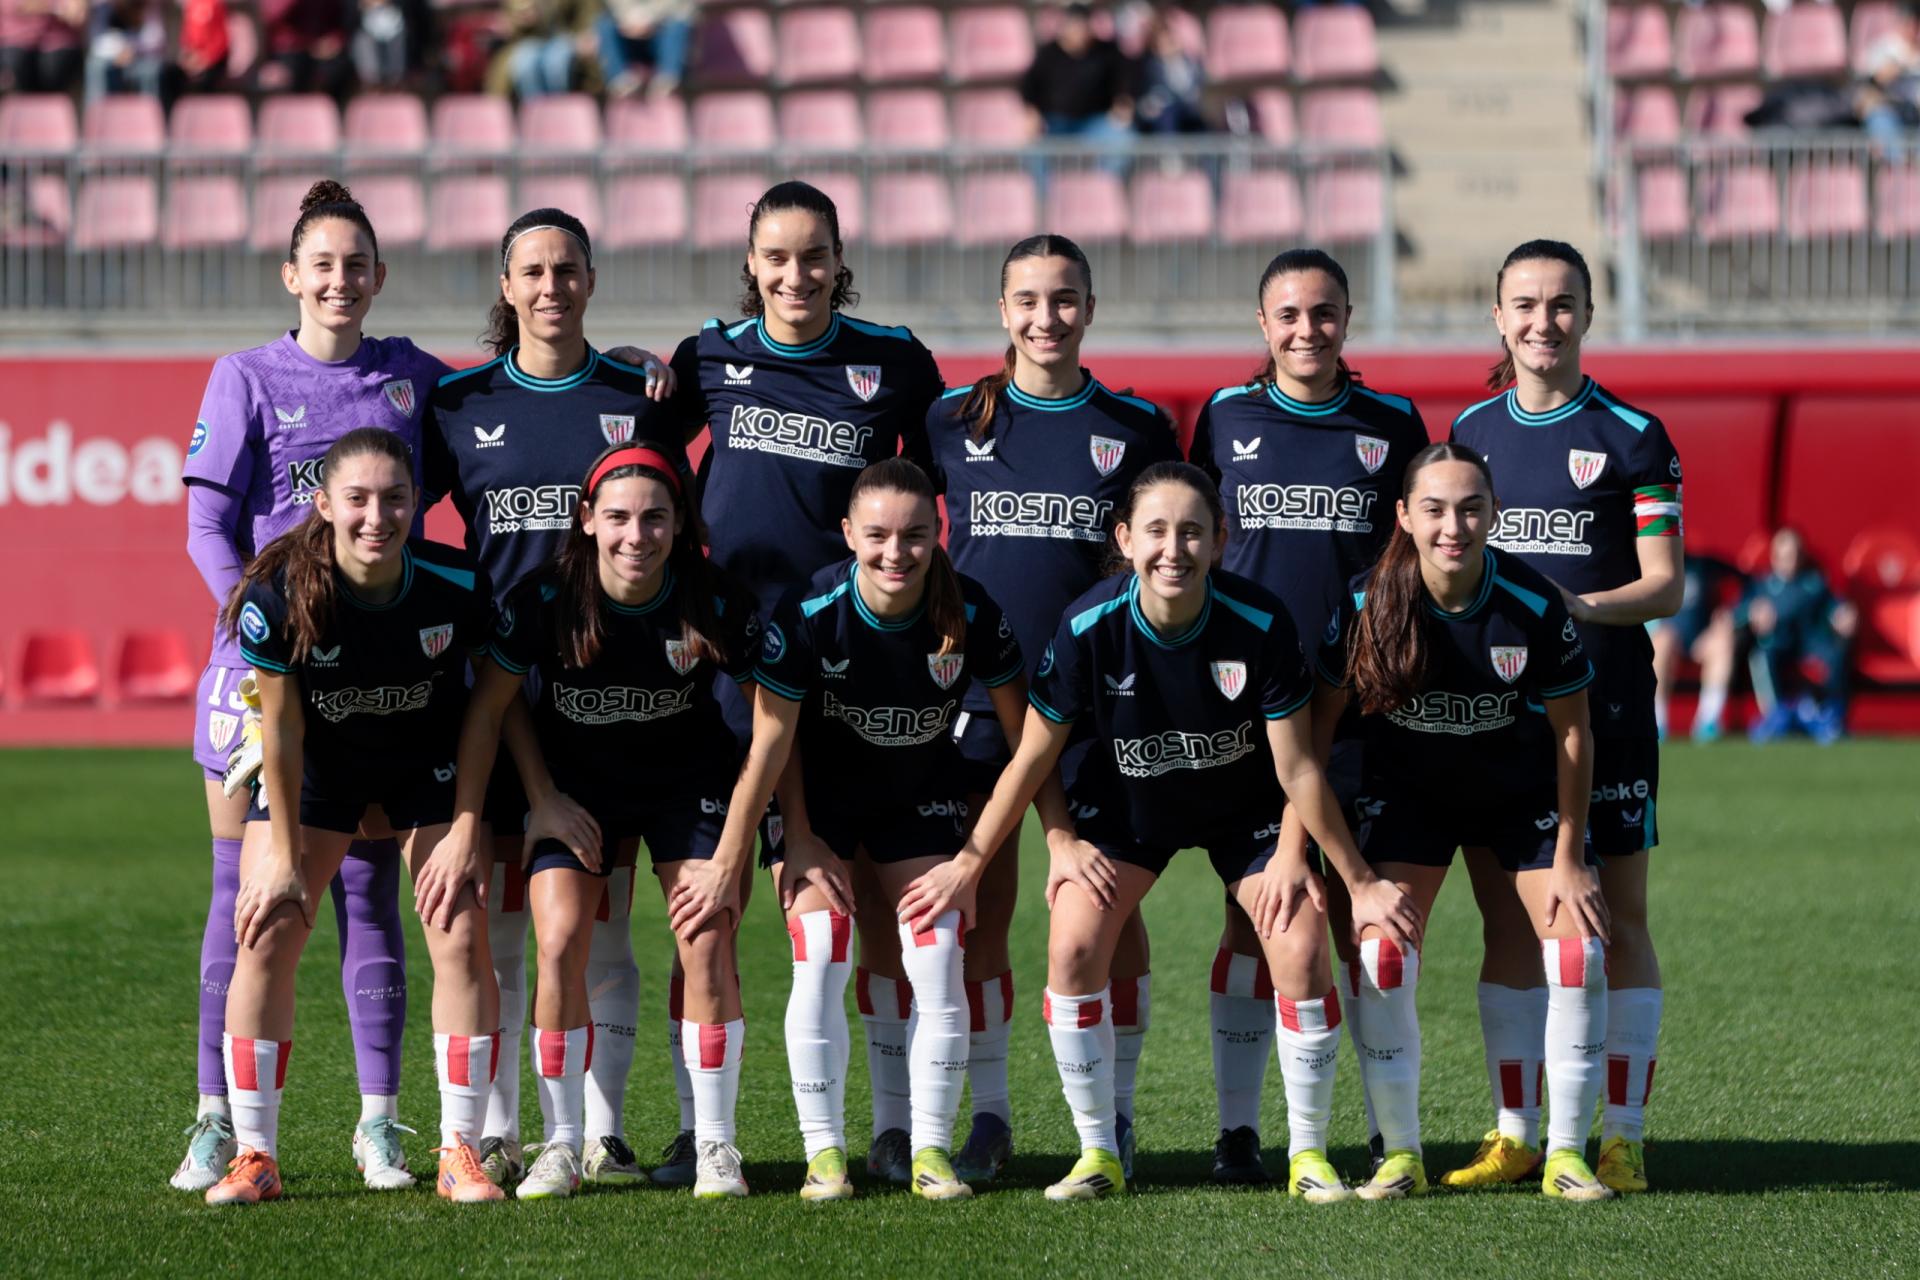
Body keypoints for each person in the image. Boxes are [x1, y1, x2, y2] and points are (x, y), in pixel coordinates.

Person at [950, 460, 1423, 1201]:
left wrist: (1325, 867)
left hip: (1249, 815)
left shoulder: (1260, 623)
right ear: (1125, 539)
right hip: (1128, 812)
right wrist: (1023, 849)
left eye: (1193, 532)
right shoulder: (1087, 626)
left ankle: (1306, 1153)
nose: (1174, 550)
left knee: (1300, 945)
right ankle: (1100, 1151)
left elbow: (1299, 765)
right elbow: (1033, 755)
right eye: (1157, 532)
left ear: (1221, 540)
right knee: (1072, 944)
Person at [660, 179, 944, 1187]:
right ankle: (700, 1129)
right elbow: (645, 470)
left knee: (861, 905)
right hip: (728, 672)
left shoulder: (895, 362)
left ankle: (894, 1126)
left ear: (839, 259)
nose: (796, 274)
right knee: (711, 903)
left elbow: (938, 483)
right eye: (776, 257)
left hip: (849, 670)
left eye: (813, 254)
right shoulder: (705, 357)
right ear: (751, 264)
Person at [175, 179, 450, 1195]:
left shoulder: (413, 377)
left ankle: (380, 1124)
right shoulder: (244, 376)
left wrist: (630, 368)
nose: (341, 280)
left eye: (357, 264)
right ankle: (218, 1119)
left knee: (371, 892)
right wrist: (262, 626)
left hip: (372, 678)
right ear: (291, 275)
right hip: (260, 675)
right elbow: (206, 526)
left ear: (380, 276)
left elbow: (510, 405)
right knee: (241, 897)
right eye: (322, 264)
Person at [422, 205, 682, 1191]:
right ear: (505, 286)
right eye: (531, 271)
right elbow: (394, 517)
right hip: (493, 699)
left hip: (601, 701)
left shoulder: (636, 395)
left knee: (597, 925)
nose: (550, 287)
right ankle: (495, 1130)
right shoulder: (458, 403)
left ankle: (601, 1133)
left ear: (591, 280)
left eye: (566, 268)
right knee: (495, 927)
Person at [693, 457, 1025, 1201]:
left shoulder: (971, 610)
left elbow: (1026, 741)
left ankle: (928, 1147)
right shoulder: (809, 612)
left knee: (938, 950)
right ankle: (825, 1154)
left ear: (938, 533)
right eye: (877, 535)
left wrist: (978, 858)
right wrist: (787, 838)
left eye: (914, 535)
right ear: (848, 533)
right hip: (820, 805)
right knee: (821, 950)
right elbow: (771, 742)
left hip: (920, 799)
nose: (895, 552)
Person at [924, 233, 1179, 1184]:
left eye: (1064, 299)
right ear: (1003, 311)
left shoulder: (1138, 425)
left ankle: (1117, 1113)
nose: (1047, 318)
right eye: (1028, 300)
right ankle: (991, 1115)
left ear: (1090, 308)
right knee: (983, 909)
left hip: (1103, 707)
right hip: (980, 700)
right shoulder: (950, 418)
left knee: (1108, 910)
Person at [451, 443, 763, 1199]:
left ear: (679, 522)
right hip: (578, 790)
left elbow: (775, 722)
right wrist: (540, 797)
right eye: (618, 517)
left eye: (655, 517)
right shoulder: (545, 597)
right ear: (587, 519)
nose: (637, 535)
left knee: (707, 938)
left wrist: (735, 847)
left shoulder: (713, 597)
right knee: (559, 940)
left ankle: (716, 1146)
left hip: (687, 787)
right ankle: (562, 1143)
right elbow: (491, 709)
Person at [1305, 440, 1614, 1202]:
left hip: (1518, 797)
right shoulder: (1364, 605)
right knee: (1380, 956)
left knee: (1578, 954)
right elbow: (1313, 739)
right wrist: (1340, 872)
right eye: (1436, 509)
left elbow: (1574, 731)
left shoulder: (1531, 603)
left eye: (1472, 509)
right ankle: (1400, 1155)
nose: (1455, 527)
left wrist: (1570, 857)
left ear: (1494, 514)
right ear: (1404, 516)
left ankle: (1562, 1154)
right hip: (1408, 798)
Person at [203, 429, 502, 1206]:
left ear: (416, 502)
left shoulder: (458, 583)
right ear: (325, 504)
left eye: (394, 498)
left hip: (427, 769)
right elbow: (281, 729)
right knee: (265, 928)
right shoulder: (278, 595)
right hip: (321, 772)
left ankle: (460, 1153)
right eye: (359, 499)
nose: (378, 516)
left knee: (460, 926)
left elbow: (486, 710)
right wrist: (281, 854)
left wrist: (468, 826)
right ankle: (255, 1156)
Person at [1188, 247, 1430, 1184]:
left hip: (1364, 706)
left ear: (1347, 320)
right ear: (1263, 324)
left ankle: (1385, 1130)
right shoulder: (1223, 416)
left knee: (1366, 930)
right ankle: (1240, 1132)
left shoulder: (1393, 421)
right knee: (1256, 918)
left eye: (1323, 313)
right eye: (1288, 315)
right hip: (1247, 705)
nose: (1306, 330)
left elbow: (1414, 554)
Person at [1450, 240, 1683, 1195]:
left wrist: (1573, 610)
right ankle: (1515, 1134)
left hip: (1606, 708)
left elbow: (1665, 586)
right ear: (1498, 318)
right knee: (1510, 925)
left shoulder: (1634, 435)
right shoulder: (1470, 431)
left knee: (1616, 921)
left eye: (1561, 304)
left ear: (1587, 314)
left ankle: (1621, 1137)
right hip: (1494, 719)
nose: (1542, 321)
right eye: (1525, 304)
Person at [1740, 527, 1856, 745]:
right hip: (1778, 642)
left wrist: (1842, 614)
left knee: (1836, 654)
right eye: (1784, 555)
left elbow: (1834, 605)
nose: (1789, 561)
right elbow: (1739, 612)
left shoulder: (1815, 583)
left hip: (1810, 641)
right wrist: (1752, 613)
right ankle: (1776, 715)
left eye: (1794, 555)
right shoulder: (1762, 585)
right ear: (1774, 557)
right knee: (1762, 656)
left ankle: (1830, 714)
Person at [1651, 552, 1741, 742]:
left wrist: (1731, 613)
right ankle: (1657, 721)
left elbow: (1745, 580)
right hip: (1669, 639)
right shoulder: (1654, 565)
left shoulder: (1703, 564)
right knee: (1661, 641)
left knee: (1723, 642)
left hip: (1700, 640)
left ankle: (1708, 721)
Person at [1021, 3, 1135, 147]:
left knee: (1122, 138)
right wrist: (1032, 114)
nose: (1079, 32)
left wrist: (1123, 104)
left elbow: (1123, 82)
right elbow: (1029, 88)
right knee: (1035, 147)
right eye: (1075, 26)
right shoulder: (1048, 54)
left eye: (1083, 26)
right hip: (1055, 124)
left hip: (1095, 122)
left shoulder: (1107, 52)